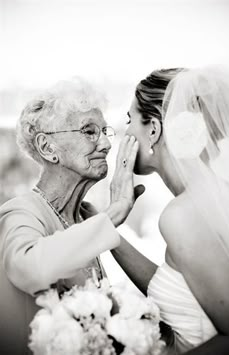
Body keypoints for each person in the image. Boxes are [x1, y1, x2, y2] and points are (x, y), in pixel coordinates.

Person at [0, 78, 141, 355]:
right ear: (47, 147)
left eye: (104, 131)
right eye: (89, 131)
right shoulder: (20, 211)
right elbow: (30, 269)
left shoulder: (82, 220)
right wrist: (113, 214)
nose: (106, 144)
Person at [111, 67, 229, 354]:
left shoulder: (181, 214)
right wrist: (104, 227)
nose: (125, 132)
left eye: (130, 120)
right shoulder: (216, 196)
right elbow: (188, 288)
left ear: (153, 129)